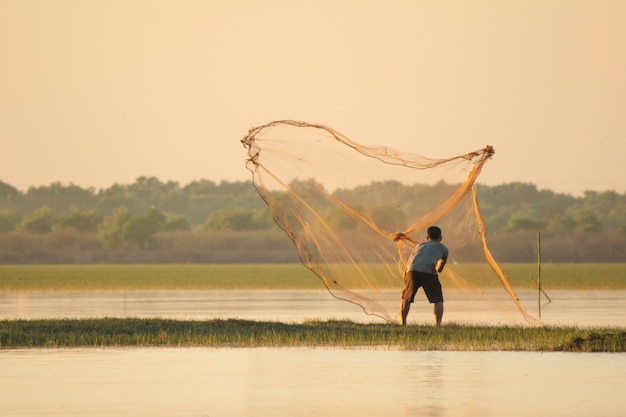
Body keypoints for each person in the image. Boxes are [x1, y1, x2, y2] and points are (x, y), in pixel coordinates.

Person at [400, 226, 448, 326]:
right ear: (440, 238)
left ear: (427, 238)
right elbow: (440, 269)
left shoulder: (419, 245)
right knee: (438, 299)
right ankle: (437, 325)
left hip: (411, 271)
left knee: (406, 298)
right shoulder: (444, 249)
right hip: (428, 271)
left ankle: (403, 323)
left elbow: (409, 262)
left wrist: (407, 278)